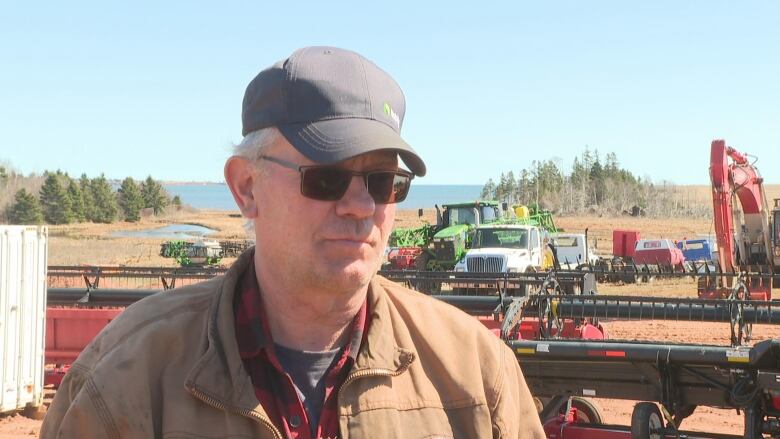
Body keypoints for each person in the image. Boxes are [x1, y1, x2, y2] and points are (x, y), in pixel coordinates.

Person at [41, 47, 545, 438]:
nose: (359, 206)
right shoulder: (128, 377)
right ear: (247, 187)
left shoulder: (475, 373)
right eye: (325, 178)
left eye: (382, 181)